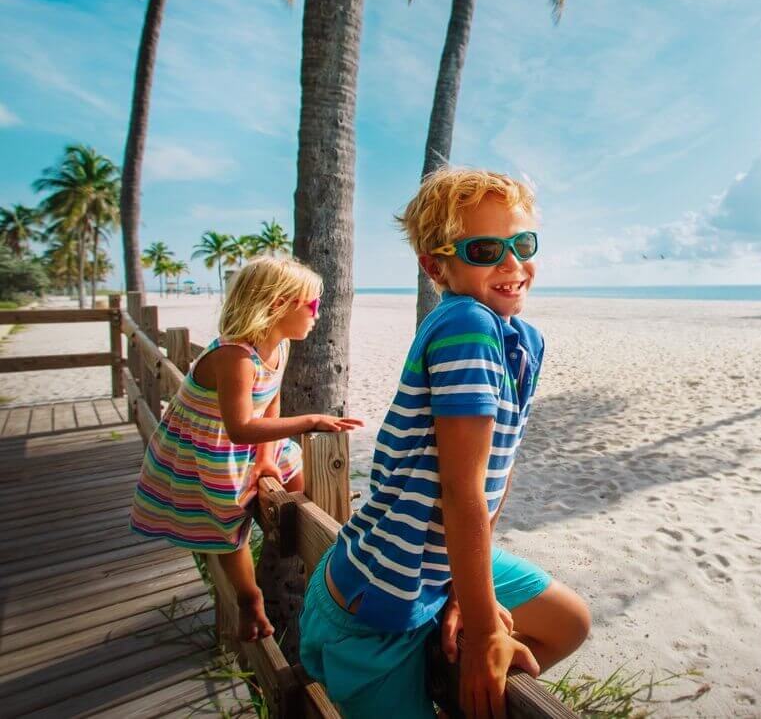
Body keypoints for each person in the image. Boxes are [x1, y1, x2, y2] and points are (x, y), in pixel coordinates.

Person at [300, 169, 591, 719]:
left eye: (522, 244)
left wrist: (463, 593)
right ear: (436, 266)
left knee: (568, 621)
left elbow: (492, 477)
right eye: (485, 249)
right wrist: (483, 633)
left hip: (436, 572)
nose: (512, 264)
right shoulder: (465, 324)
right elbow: (460, 490)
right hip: (376, 604)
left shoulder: (523, 340)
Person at [130, 256, 364, 641]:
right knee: (226, 522)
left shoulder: (279, 346)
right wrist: (311, 421)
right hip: (207, 446)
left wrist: (266, 460)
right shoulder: (235, 356)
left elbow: (270, 403)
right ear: (276, 305)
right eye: (311, 305)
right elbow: (240, 427)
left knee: (308, 490)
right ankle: (248, 599)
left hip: (256, 443)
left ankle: (321, 543)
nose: (316, 314)